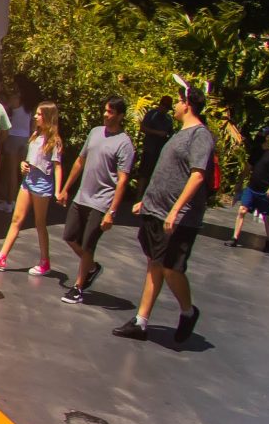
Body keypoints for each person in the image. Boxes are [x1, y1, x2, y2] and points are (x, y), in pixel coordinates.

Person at [113, 84, 216, 346]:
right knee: (154, 263)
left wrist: (175, 210)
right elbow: (166, 171)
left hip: (180, 217)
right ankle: (141, 321)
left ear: (187, 104)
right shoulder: (178, 134)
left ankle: (188, 312)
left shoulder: (200, 136)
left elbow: (197, 175)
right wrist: (146, 200)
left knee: (172, 268)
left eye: (179, 101)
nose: (175, 106)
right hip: (156, 210)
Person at [58, 98, 136, 305]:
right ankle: (92, 267)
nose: (106, 114)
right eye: (105, 110)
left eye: (110, 112)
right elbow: (80, 161)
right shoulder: (95, 132)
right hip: (82, 196)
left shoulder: (124, 143)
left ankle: (78, 287)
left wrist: (112, 211)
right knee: (70, 236)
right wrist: (66, 188)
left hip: (102, 202)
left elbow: (122, 180)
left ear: (120, 116)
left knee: (89, 244)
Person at [0, 101, 68, 276]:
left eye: (39, 114)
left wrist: (58, 191)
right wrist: (23, 164)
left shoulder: (54, 141)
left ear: (47, 117)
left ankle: (45, 262)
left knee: (39, 223)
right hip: (28, 181)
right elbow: (28, 158)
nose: (35, 117)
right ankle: (2, 257)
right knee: (16, 219)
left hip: (42, 184)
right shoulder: (35, 136)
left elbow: (57, 166)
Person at [229, 126, 269, 251]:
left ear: (268, 137)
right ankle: (235, 238)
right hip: (251, 187)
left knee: (266, 217)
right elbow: (248, 167)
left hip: (264, 190)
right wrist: (240, 182)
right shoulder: (256, 150)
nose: (259, 137)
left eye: (262, 134)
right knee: (242, 210)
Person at [127, 95, 177, 223]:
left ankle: (149, 199)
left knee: (154, 175)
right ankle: (138, 198)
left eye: (167, 108)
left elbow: (170, 133)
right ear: (160, 105)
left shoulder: (168, 119)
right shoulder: (152, 114)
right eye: (163, 106)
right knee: (144, 174)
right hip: (149, 148)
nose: (164, 109)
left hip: (160, 151)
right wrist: (156, 133)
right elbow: (143, 128)